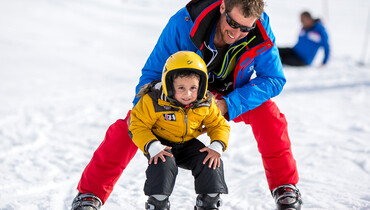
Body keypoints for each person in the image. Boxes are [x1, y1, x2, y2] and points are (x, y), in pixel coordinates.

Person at [71, 0, 303, 209]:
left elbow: (274, 79)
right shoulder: (184, 23)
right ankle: (90, 195)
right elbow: (153, 71)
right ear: (223, 7)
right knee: (129, 125)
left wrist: (228, 104)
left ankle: (285, 188)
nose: (237, 32)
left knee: (269, 115)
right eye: (233, 23)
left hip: (227, 96)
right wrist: (148, 106)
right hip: (181, 92)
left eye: (246, 28)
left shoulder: (260, 30)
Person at [129, 51, 230, 209]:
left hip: (188, 144)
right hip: (160, 143)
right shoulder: (154, 101)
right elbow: (137, 125)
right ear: (169, 85)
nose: (187, 94)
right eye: (181, 87)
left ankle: (209, 202)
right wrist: (152, 146)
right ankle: (158, 203)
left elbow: (218, 124)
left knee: (210, 161)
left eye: (193, 88)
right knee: (162, 162)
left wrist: (217, 145)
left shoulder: (205, 103)